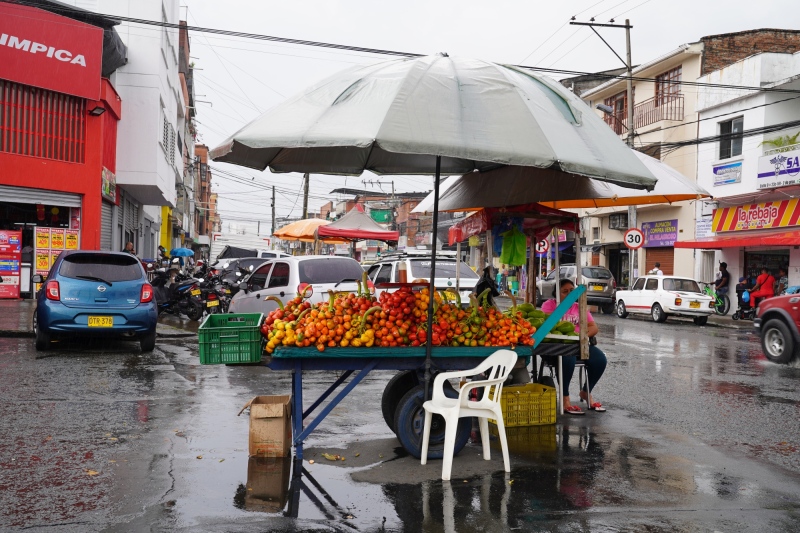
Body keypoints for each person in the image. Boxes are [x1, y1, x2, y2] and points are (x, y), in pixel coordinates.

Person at [541, 279, 608, 415]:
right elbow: (547, 326)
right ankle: (565, 397)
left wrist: (580, 338)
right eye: (565, 292)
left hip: (578, 345)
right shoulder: (549, 305)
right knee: (567, 359)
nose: (569, 294)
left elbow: (593, 327)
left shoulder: (580, 307)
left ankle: (585, 392)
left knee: (600, 360)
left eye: (572, 291)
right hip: (556, 347)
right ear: (556, 294)